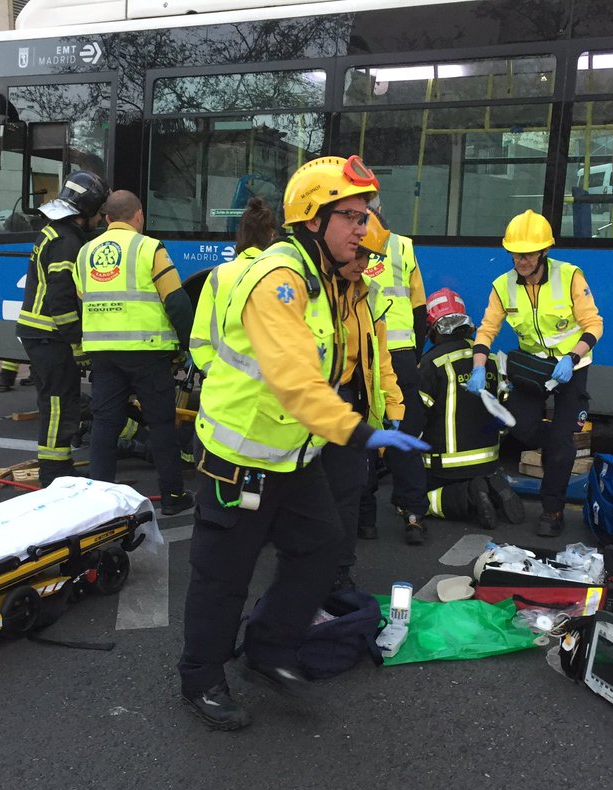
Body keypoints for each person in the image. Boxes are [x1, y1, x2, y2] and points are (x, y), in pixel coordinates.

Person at [178, 155, 428, 730]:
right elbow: (296, 380)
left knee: (321, 550)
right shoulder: (281, 282)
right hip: (238, 459)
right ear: (313, 218)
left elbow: (358, 356)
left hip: (293, 456)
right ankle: (200, 679)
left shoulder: (332, 280)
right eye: (353, 219)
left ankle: (268, 649)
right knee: (222, 578)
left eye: (365, 219)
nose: (363, 232)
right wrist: (362, 431)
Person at [467, 210, 603, 537]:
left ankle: (552, 510)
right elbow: (487, 329)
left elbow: (594, 324)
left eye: (527, 253)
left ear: (543, 252)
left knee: (559, 443)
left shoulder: (570, 277)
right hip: (533, 369)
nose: (520, 260)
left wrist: (572, 358)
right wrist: (478, 366)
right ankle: (560, 443)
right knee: (521, 429)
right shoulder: (502, 286)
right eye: (515, 253)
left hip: (571, 369)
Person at [73, 189, 195, 514]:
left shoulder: (85, 253)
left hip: (103, 353)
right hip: (148, 353)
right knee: (161, 425)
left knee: (105, 425)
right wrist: (189, 345)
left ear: (108, 219)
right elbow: (177, 303)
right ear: (138, 215)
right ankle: (172, 497)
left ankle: (99, 502)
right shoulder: (149, 248)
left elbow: (83, 300)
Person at [321, 211, 404, 592]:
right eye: (359, 255)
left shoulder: (365, 297)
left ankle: (338, 571)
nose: (364, 264)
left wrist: (394, 408)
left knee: (347, 491)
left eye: (370, 257)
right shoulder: (314, 292)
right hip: (312, 407)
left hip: (348, 407)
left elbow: (379, 359)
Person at [16, 170, 108, 487]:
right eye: (99, 212)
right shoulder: (68, 242)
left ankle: (58, 465)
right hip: (49, 336)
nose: (101, 219)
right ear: (85, 211)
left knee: (53, 401)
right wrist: (78, 346)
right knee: (59, 402)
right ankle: (54, 473)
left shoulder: (54, 232)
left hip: (38, 334)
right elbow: (61, 301)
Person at [418, 289, 525, 527]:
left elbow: (417, 418)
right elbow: (506, 412)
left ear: (433, 328)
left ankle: (468, 496)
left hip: (444, 467)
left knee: (411, 501)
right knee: (481, 475)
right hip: (489, 461)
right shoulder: (492, 361)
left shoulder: (430, 363)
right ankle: (492, 485)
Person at [357, 200, 429, 543]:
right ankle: (413, 515)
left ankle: (365, 519)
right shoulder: (403, 247)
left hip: (364, 354)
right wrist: (414, 354)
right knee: (405, 437)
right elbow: (420, 308)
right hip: (400, 355)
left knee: (364, 434)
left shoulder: (346, 246)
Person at [189, 196, 276, 375]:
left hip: (221, 389)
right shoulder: (281, 274)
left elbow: (199, 339)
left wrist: (215, 374)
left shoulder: (218, 275)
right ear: (272, 235)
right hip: (267, 390)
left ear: (241, 234)